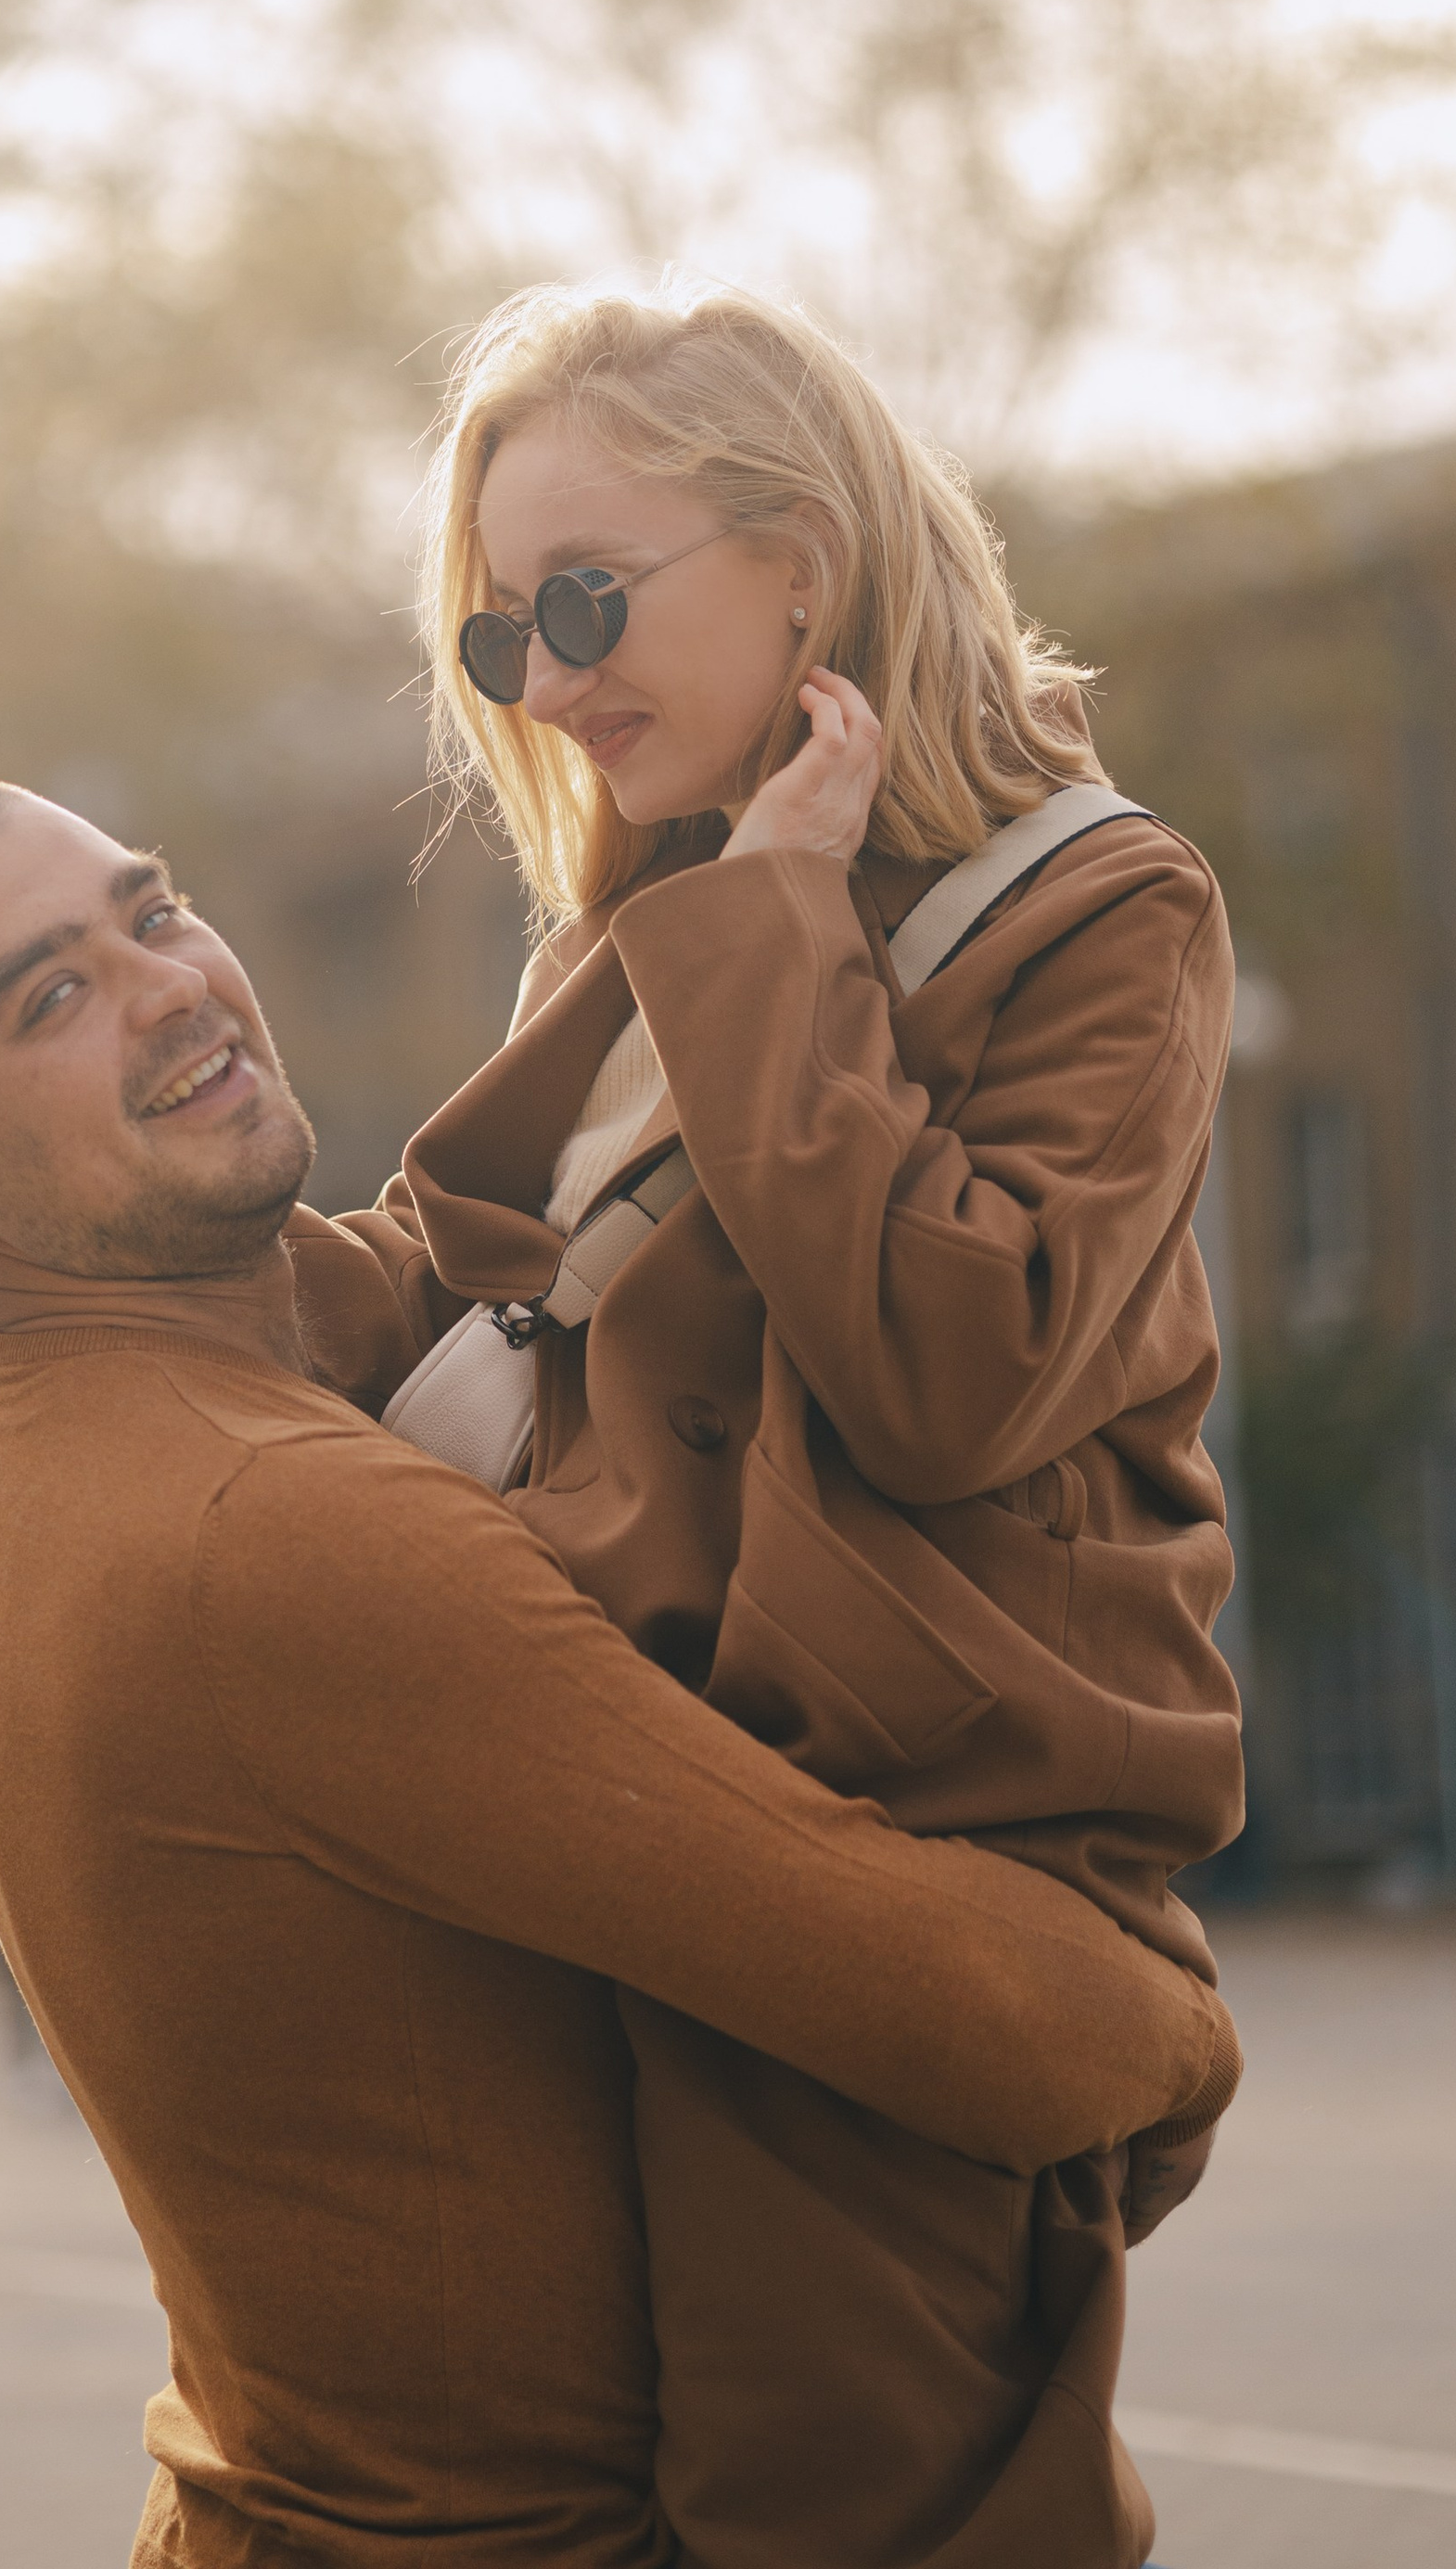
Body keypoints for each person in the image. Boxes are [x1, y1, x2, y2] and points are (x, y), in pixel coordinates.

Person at [0, 779, 1239, 2569]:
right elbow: (1000, 2029)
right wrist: (1180, 2042)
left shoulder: (143, 1411)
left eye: (153, 910)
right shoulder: (261, 1524)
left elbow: (442, 1252)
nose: (169, 988)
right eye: (47, 996)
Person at [294, 283, 1247, 2569]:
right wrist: (128, 1229)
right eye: (494, 630)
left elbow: (946, 1366)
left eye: (589, 599)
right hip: (638, 1813)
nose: (541, 678)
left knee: (846, 2509)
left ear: (802, 559)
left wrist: (786, 928)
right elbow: (464, 1280)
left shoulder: (1099, 907)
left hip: (901, 1853)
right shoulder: (655, 906)